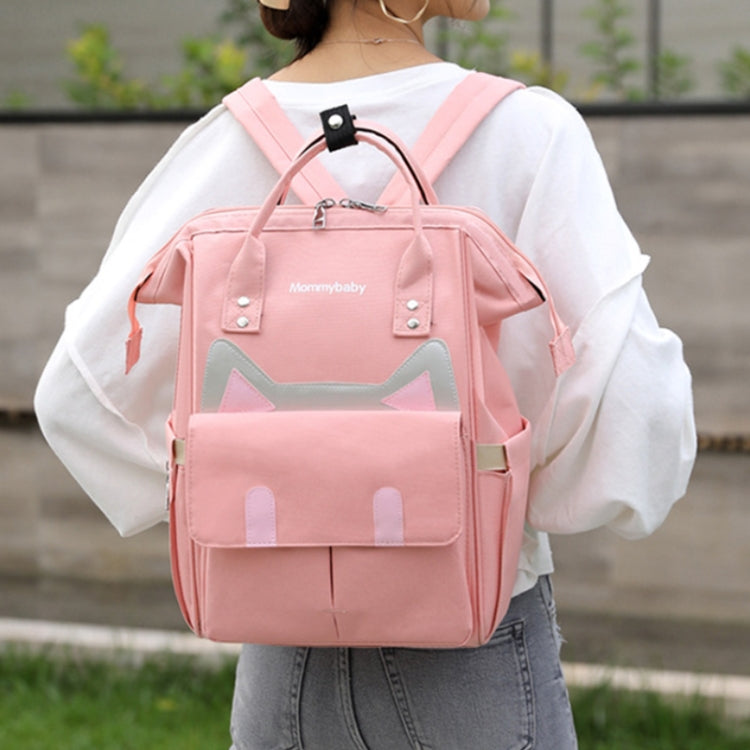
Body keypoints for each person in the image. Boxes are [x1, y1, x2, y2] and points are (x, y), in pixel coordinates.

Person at [34, 0, 697, 747]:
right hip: (466, 648)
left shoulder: (224, 142)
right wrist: (500, 492)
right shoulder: (527, 132)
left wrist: (240, 488)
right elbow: (638, 418)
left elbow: (75, 396)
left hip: (279, 657)